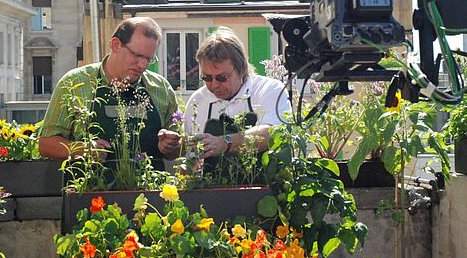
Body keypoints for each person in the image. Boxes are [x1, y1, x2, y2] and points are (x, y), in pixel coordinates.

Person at [39, 17, 181, 165]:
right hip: (91, 186)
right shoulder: (75, 83)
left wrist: (171, 145)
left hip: (151, 186)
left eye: (149, 59)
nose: (142, 65)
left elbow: (179, 148)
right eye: (137, 55)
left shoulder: (160, 88)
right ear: (115, 45)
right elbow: (46, 144)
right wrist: (82, 150)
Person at [181, 27, 291, 165]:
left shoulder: (270, 89)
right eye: (207, 78)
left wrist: (224, 143)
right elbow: (190, 160)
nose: (214, 85)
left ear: (241, 69)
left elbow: (274, 133)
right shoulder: (197, 102)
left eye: (222, 77)